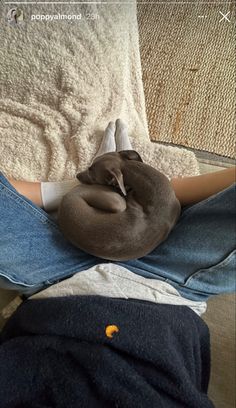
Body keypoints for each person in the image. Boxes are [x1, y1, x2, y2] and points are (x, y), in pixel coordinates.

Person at [0, 120, 235, 407]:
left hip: (54, 280)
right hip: (173, 288)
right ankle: (143, 189)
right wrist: (160, 194)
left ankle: (71, 191)